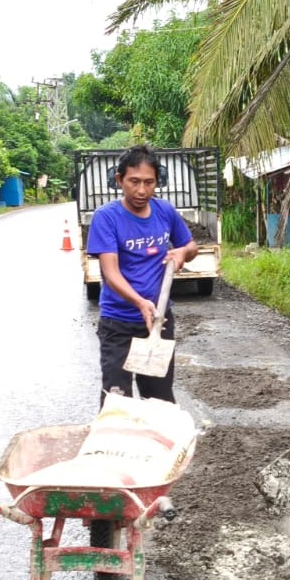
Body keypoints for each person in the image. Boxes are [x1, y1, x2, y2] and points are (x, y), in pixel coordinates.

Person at [85, 144, 200, 404]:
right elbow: (110, 272)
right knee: (117, 401)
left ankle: (158, 444)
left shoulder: (165, 211)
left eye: (149, 182)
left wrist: (182, 254)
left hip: (158, 321)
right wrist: (139, 302)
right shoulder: (107, 217)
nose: (141, 190)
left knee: (158, 400)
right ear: (119, 180)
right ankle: (113, 445)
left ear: (157, 182)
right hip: (119, 324)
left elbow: (190, 245)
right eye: (133, 181)